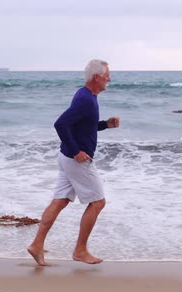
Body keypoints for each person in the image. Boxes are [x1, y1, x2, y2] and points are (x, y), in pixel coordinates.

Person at [27, 59, 120, 266]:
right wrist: (77, 151)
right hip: (76, 160)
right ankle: (80, 250)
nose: (109, 79)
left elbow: (81, 126)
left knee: (60, 200)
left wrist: (105, 125)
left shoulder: (87, 96)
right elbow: (61, 124)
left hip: (66, 158)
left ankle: (36, 245)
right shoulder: (86, 99)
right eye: (107, 76)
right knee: (98, 202)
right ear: (97, 77)